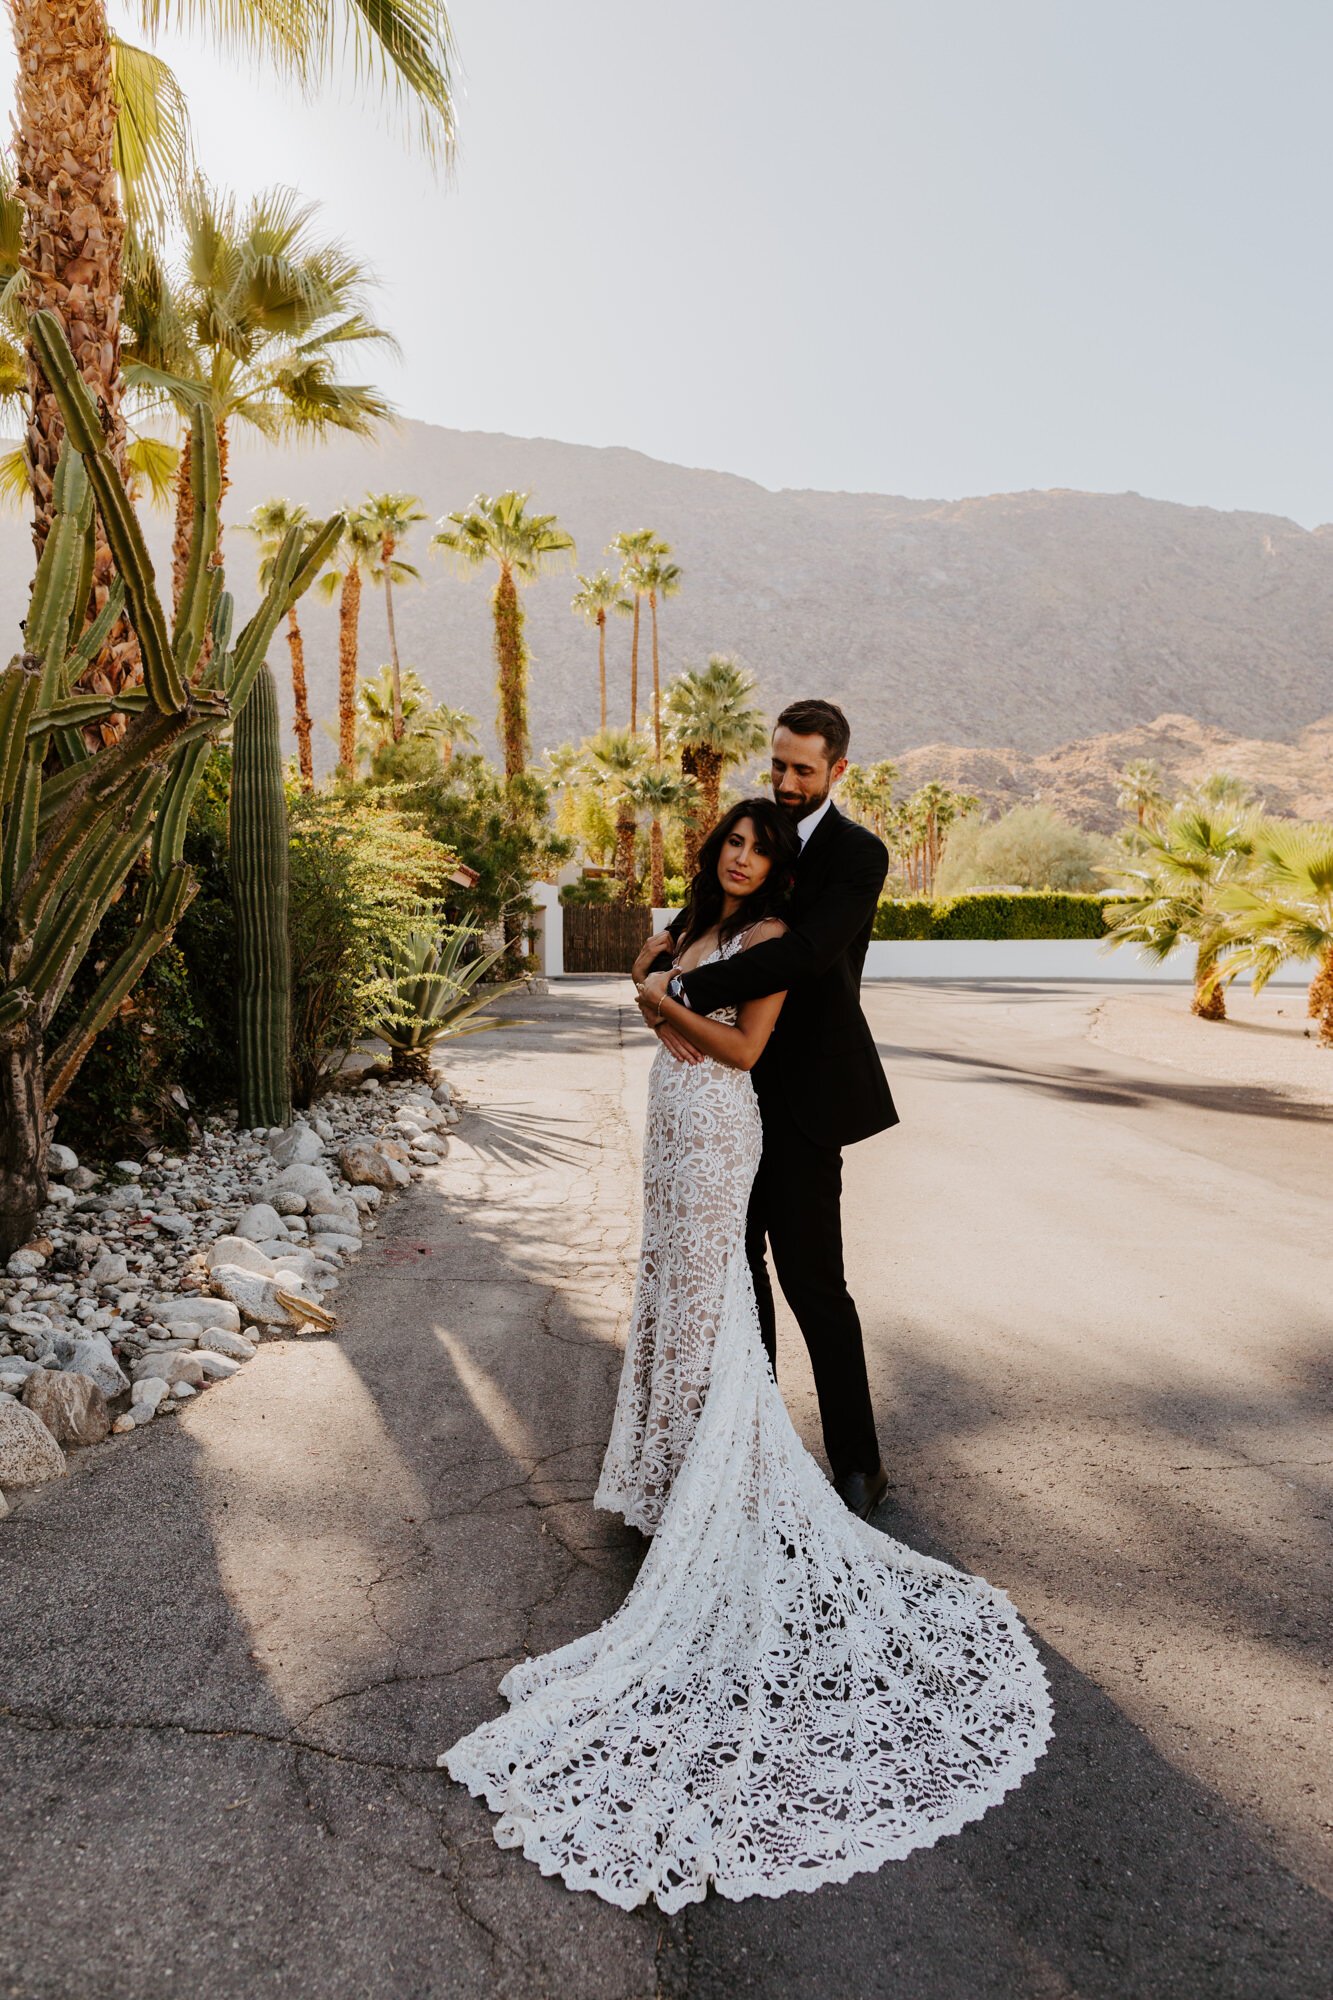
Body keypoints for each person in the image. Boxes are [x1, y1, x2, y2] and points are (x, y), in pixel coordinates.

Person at [441, 797, 1051, 1912]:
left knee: (730, 1296)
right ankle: (670, 1468)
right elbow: (667, 1002)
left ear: (774, 869)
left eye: (758, 847)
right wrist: (657, 984)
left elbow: (741, 1044)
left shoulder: (768, 941)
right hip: (671, 1131)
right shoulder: (688, 931)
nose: (739, 854)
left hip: (723, 1128)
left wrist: (654, 999)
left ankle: (748, 1473)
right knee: (671, 1297)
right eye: (731, 839)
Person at [637, 698, 894, 1517]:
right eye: (777, 765)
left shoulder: (859, 854)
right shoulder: (760, 835)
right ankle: (754, 1445)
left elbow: (808, 953)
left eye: (803, 770)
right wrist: (658, 975)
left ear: (837, 771)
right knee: (732, 1279)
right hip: (720, 1100)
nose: (785, 781)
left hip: (803, 1097)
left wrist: (677, 992)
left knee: (814, 1282)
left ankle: (858, 1462)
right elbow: (694, 925)